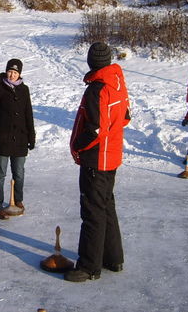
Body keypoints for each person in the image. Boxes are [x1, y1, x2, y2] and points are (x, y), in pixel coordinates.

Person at [65, 42, 131, 282]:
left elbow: (94, 129)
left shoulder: (97, 89)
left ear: (91, 62)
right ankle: (113, 259)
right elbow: (125, 116)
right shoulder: (117, 81)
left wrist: (77, 148)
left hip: (96, 159)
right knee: (106, 206)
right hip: (111, 157)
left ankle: (89, 266)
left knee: (92, 211)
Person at [0, 58, 35, 220]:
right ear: (6, 71)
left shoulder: (24, 90)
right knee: (0, 173)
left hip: (20, 139)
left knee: (19, 173)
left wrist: (31, 135)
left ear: (20, 73)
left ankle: (18, 200)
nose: (12, 75)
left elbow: (28, 114)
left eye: (15, 72)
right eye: (10, 71)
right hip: (2, 139)